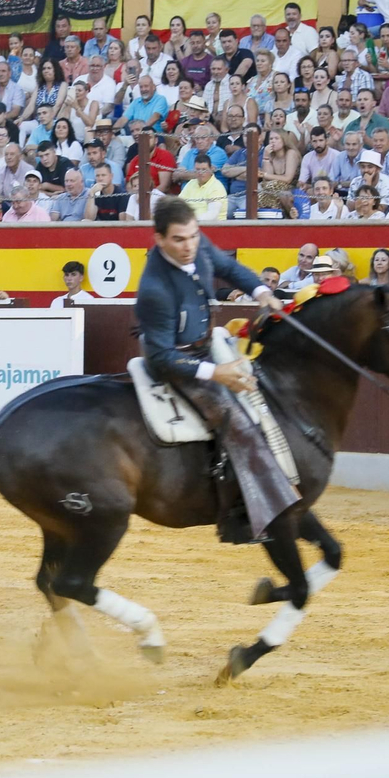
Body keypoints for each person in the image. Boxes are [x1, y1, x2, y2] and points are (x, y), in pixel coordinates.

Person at [134, 196, 290, 544]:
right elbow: (161, 357)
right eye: (179, 240)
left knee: (262, 388)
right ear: (160, 240)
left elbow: (229, 268)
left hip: (206, 343)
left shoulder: (197, 243)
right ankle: (239, 517)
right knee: (236, 420)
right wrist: (215, 373)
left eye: (192, 236)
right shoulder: (154, 288)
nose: (189, 246)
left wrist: (261, 291)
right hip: (178, 362)